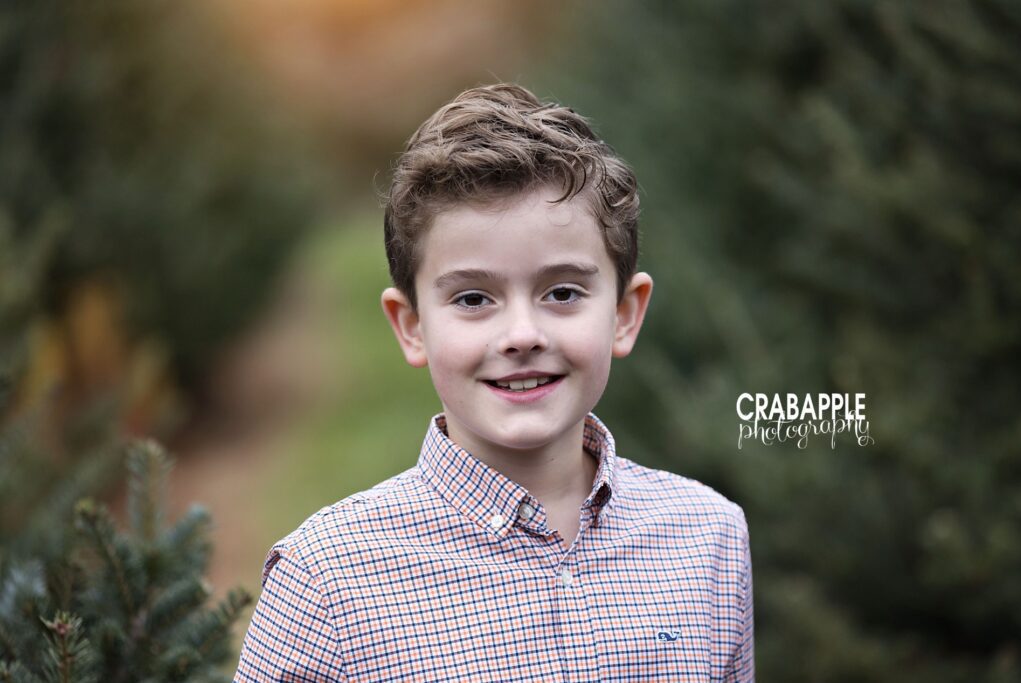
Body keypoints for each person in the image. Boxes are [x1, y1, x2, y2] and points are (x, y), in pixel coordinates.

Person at [235, 83, 754, 682]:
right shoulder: (326, 581)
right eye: (474, 298)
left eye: (562, 292)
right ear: (412, 327)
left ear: (624, 313)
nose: (522, 334)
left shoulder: (707, 535)